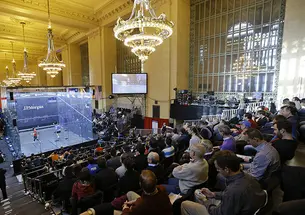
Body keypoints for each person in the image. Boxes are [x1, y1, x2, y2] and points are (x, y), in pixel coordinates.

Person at [181, 155, 266, 215]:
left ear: (226, 169)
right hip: (244, 207)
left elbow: (220, 213)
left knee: (185, 204)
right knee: (198, 192)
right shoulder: (249, 177)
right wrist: (213, 194)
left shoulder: (233, 190)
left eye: (218, 169)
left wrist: (206, 202)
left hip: (225, 211)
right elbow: (231, 196)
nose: (218, 171)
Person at [82, 170, 173, 215]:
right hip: (152, 208)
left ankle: (97, 211)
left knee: (113, 212)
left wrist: (126, 208)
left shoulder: (140, 206)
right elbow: (150, 199)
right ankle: (111, 205)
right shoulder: (162, 189)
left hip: (143, 209)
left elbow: (131, 212)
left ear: (140, 184)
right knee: (129, 193)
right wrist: (135, 201)